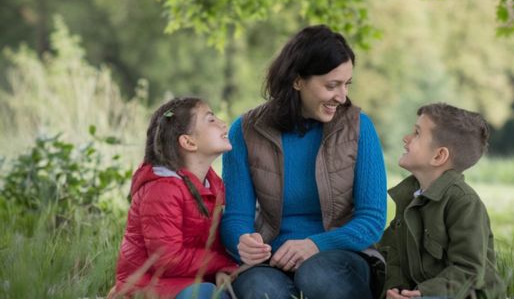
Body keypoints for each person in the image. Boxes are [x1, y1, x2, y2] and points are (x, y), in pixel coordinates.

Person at [220, 25, 388, 299]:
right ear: (297, 81)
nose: (342, 96)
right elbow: (236, 217)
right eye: (331, 85)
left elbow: (372, 220)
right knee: (258, 289)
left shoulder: (358, 127)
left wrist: (315, 244)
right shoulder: (246, 131)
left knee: (317, 275)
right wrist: (243, 242)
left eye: (347, 84)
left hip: (340, 255)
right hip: (270, 260)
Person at [112, 97, 238, 299]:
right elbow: (167, 259)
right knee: (207, 295)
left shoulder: (212, 183)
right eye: (211, 120)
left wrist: (221, 269)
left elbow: (213, 240)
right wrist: (221, 263)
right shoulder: (161, 189)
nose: (223, 123)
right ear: (188, 142)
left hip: (187, 277)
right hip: (148, 282)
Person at [378, 103, 506, 299]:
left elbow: (468, 271)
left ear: (439, 156)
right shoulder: (408, 195)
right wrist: (396, 289)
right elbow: (392, 253)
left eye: (417, 133)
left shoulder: (464, 202)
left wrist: (422, 293)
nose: (406, 138)